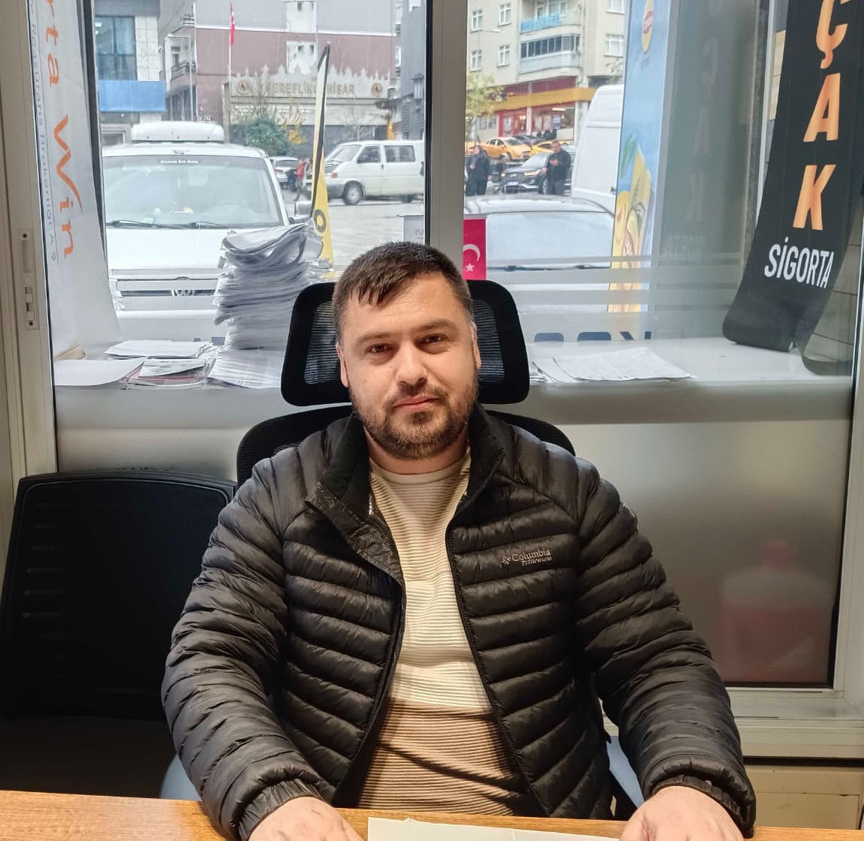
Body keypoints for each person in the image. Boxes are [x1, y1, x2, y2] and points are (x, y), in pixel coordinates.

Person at [163, 243, 754, 841]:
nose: (410, 371)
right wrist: (270, 794)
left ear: (474, 347)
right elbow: (209, 659)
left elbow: (657, 659)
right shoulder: (277, 496)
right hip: (336, 822)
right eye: (379, 349)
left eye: (433, 340)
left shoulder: (569, 495)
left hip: (531, 825)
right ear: (344, 366)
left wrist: (688, 782)